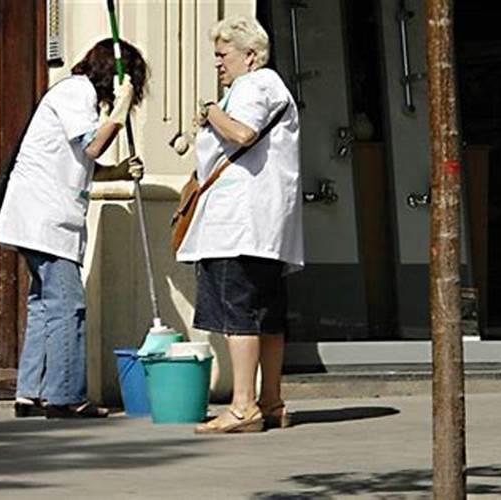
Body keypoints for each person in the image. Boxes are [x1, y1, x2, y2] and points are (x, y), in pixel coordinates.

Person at [0, 39, 149, 419]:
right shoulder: (76, 91)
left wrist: (119, 171)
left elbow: (81, 165)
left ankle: (30, 392)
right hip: (46, 219)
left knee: (45, 306)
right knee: (68, 306)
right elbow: (93, 147)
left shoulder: (71, 96)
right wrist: (123, 107)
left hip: (41, 217)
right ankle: (65, 396)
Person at [176, 16, 303, 433]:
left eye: (222, 54)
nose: (217, 63)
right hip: (260, 224)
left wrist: (210, 112)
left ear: (249, 55)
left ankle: (244, 405)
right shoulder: (266, 86)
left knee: (239, 314)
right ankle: (271, 401)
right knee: (266, 314)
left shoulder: (253, 85)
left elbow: (243, 134)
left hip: (238, 224)